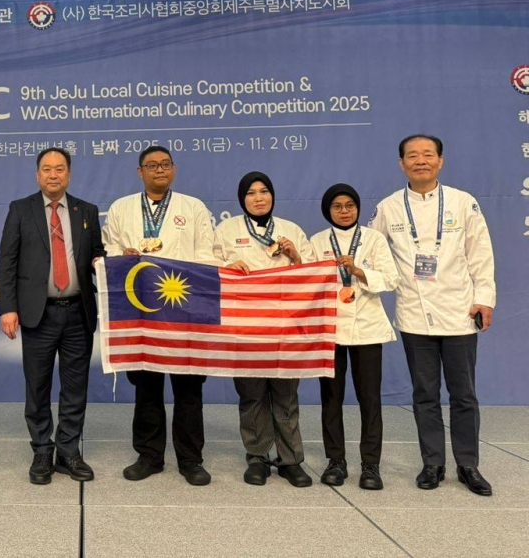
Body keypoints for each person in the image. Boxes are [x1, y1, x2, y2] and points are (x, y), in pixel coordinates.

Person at [370, 134, 495, 496]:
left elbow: (481, 254)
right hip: (414, 313)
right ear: (401, 164)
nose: (420, 161)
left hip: (459, 311)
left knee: (464, 394)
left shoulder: (463, 202)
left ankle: (468, 465)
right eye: (412, 156)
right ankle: (433, 464)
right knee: (424, 393)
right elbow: (370, 250)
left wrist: (484, 299)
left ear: (441, 161)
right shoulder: (388, 207)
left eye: (428, 154)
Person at [102, 145, 218, 486]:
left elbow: (206, 255)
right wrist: (122, 255)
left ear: (174, 169)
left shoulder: (193, 207)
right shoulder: (121, 208)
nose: (159, 170)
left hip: (185, 310)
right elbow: (107, 248)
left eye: (165, 164)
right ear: (140, 172)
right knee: (147, 388)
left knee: (188, 389)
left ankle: (191, 460)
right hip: (142, 311)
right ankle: (149, 456)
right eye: (151, 165)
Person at [0, 148, 105, 485]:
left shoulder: (86, 211)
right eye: (47, 169)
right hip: (37, 313)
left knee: (75, 387)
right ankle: (42, 450)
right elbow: (7, 262)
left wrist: (101, 262)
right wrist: (8, 308)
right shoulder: (20, 209)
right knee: (38, 387)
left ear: (69, 174)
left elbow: (97, 253)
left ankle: (68, 452)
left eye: (60, 169)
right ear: (37, 175)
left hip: (77, 312)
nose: (53, 174)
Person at [212, 171, 315, 488]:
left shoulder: (291, 230)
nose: (259, 198)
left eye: (264, 191)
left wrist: (296, 257)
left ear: (272, 195)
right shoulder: (226, 230)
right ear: (242, 199)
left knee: (286, 396)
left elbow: (313, 275)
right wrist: (226, 267)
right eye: (251, 193)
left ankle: (290, 460)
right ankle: (257, 458)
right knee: (252, 394)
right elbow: (209, 268)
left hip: (285, 327)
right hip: (245, 327)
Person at [309, 183, 399, 490]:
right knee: (331, 399)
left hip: (367, 328)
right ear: (328, 211)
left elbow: (391, 279)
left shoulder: (373, 238)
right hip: (330, 329)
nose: (344, 211)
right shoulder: (318, 241)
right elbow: (307, 280)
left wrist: (358, 271)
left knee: (369, 399)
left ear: (358, 208)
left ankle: (371, 465)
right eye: (337, 206)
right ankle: (336, 461)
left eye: (350, 205)